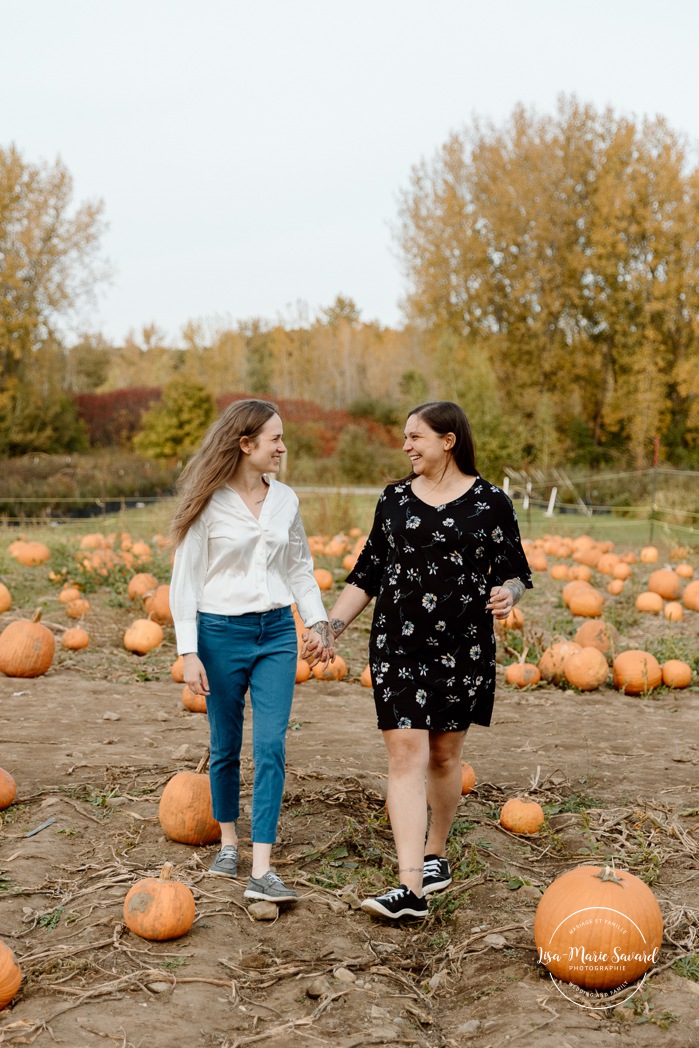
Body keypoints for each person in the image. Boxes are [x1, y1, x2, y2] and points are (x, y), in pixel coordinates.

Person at [323, 401, 532, 919]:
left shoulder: (491, 503)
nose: (406, 446)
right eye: (404, 437)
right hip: (397, 645)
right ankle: (410, 887)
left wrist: (508, 594)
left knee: (443, 756)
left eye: (415, 437)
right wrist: (330, 627)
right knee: (405, 757)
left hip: (462, 648)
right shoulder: (393, 499)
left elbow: (515, 571)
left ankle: (436, 850)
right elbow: (367, 573)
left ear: (448, 440)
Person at [170, 399, 332, 903]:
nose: (283, 447)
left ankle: (262, 868)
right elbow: (185, 580)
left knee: (270, 747)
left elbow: (300, 567)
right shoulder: (209, 502)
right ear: (246, 444)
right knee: (225, 745)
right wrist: (189, 651)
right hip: (219, 634)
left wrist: (319, 620)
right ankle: (229, 841)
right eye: (275, 439)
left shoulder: (286, 500)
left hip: (277, 633)